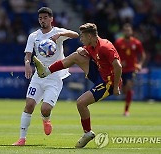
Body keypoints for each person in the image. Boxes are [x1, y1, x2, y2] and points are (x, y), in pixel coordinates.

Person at [33, 23, 122, 148]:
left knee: (81, 103)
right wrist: (83, 50)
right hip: (99, 75)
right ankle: (46, 71)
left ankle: (87, 132)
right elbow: (87, 52)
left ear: (90, 36)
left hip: (109, 82)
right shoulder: (91, 45)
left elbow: (118, 66)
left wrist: (116, 86)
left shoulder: (105, 47)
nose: (80, 39)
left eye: (82, 36)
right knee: (76, 55)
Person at [12, 7, 79, 146]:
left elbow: (76, 34)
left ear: (51, 19)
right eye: (40, 18)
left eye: (45, 18)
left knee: (45, 109)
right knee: (29, 105)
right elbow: (28, 55)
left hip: (54, 77)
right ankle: (22, 139)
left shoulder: (57, 32)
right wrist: (26, 64)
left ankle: (46, 119)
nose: (42, 20)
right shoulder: (34, 36)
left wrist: (60, 35)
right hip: (39, 76)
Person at [114, 23, 146, 116]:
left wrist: (140, 64)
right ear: (123, 32)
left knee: (129, 86)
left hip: (132, 68)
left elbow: (143, 55)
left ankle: (126, 110)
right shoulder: (118, 42)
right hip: (120, 69)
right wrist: (119, 61)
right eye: (125, 30)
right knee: (124, 89)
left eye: (129, 30)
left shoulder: (136, 43)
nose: (127, 32)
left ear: (131, 31)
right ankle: (126, 95)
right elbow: (114, 54)